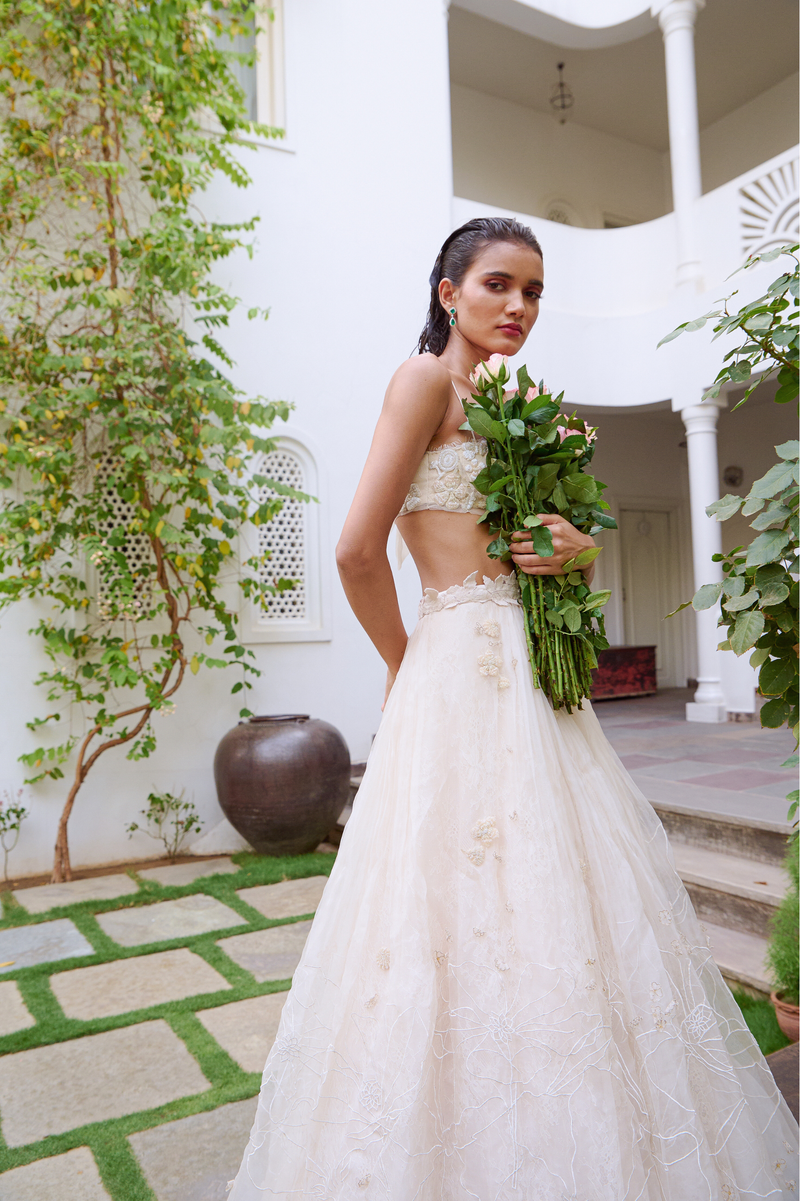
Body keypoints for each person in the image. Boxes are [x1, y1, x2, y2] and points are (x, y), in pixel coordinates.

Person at [228, 218, 798, 1199]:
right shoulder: (420, 382)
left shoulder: (507, 400)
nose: (516, 307)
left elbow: (529, 545)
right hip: (454, 663)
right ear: (446, 291)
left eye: (532, 292)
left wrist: (574, 548)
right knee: (439, 904)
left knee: (564, 893)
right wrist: (410, 664)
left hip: (532, 674)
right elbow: (357, 551)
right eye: (497, 285)